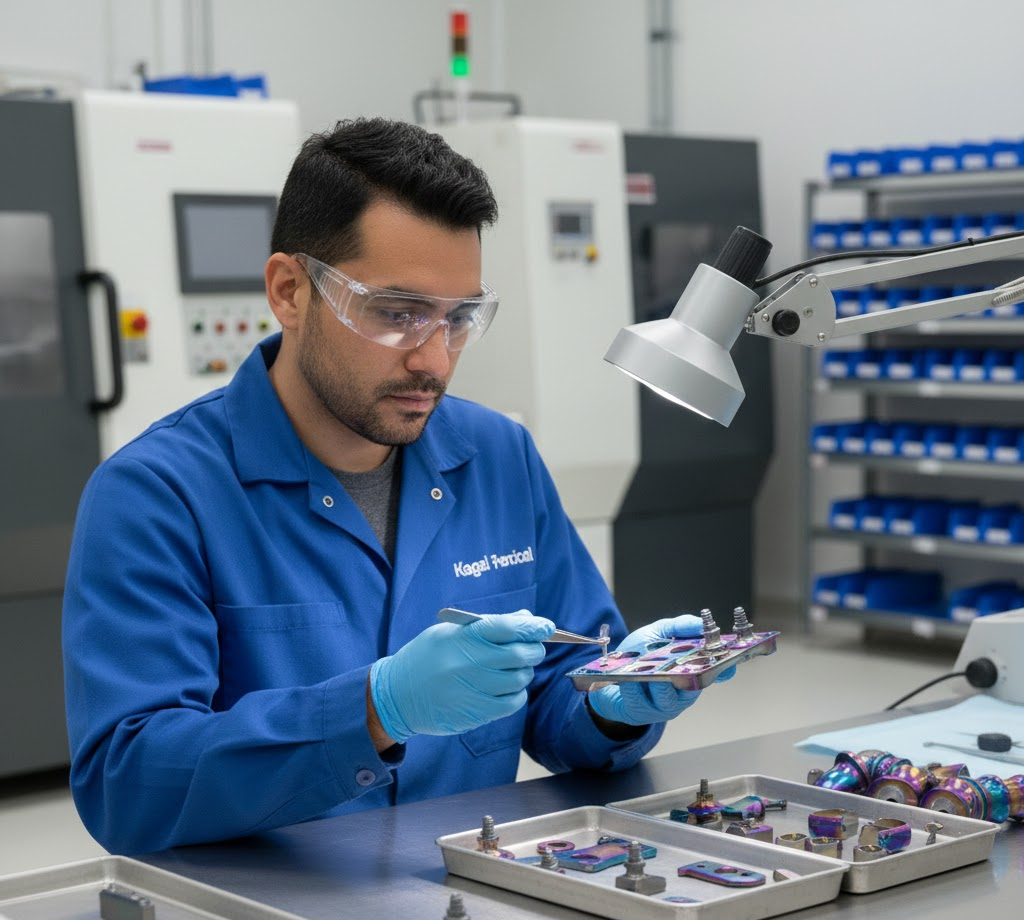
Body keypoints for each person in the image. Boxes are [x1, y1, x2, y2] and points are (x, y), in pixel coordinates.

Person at [63, 117, 729, 856]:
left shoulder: (497, 456)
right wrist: (373, 711)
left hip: (476, 905)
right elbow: (129, 783)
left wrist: (612, 705)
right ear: (290, 291)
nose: (434, 360)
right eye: (397, 314)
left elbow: (560, 687)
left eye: (460, 319)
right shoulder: (157, 495)